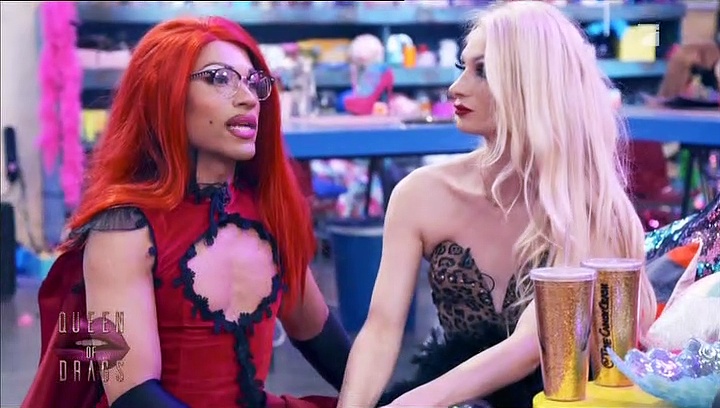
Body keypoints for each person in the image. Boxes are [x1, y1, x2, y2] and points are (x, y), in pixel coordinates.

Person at [337, 2, 658, 407]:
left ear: (534, 84)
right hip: (453, 397)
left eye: (483, 71)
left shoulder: (590, 205)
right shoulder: (419, 194)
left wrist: (413, 403)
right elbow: (381, 330)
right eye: (462, 66)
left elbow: (530, 344)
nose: (455, 87)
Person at [22, 17, 350, 408]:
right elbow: (131, 394)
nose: (248, 98)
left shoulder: (270, 212)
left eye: (253, 81)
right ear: (166, 93)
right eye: (220, 78)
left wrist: (396, 398)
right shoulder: (121, 229)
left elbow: (322, 339)